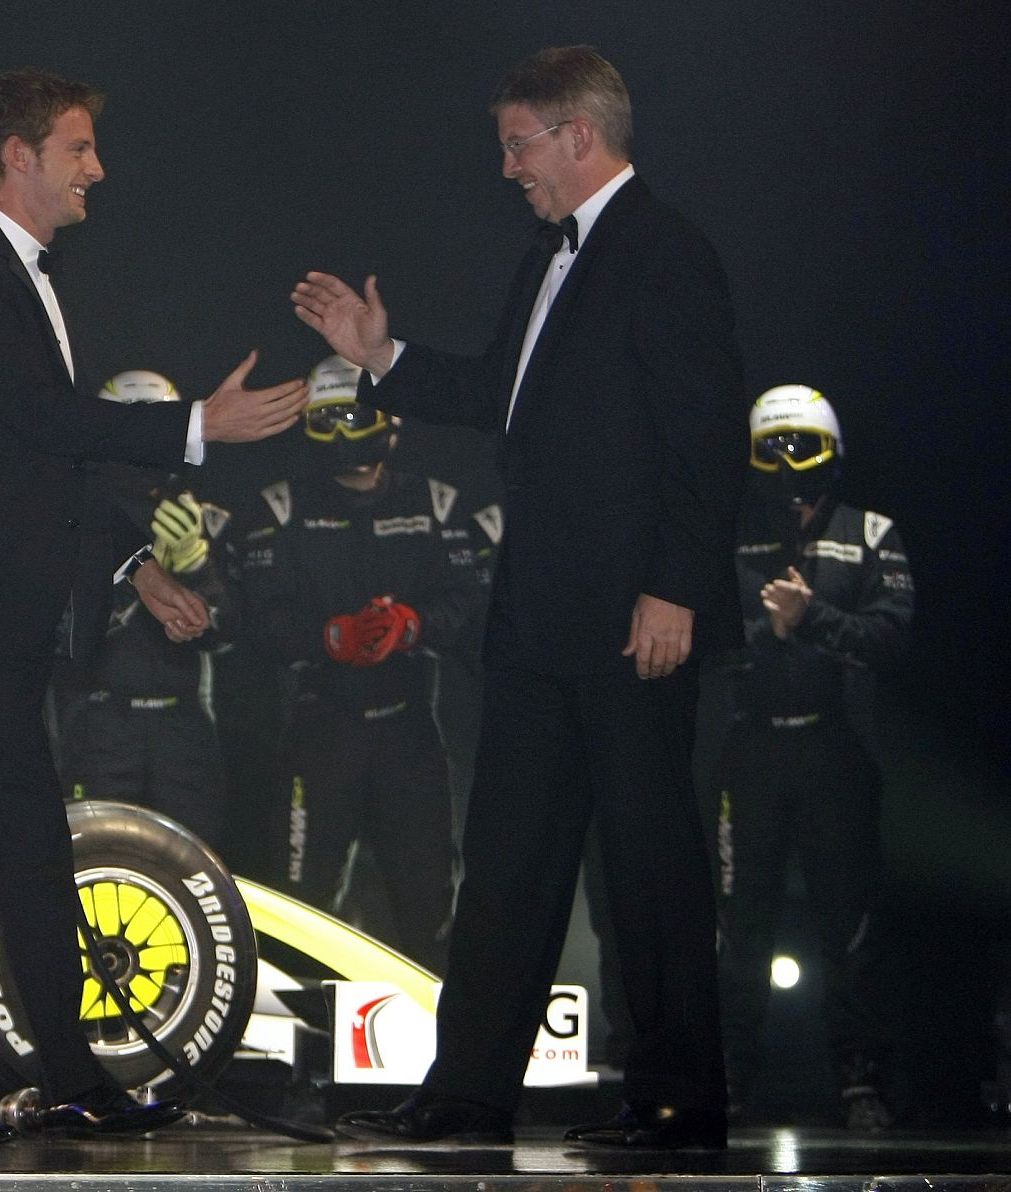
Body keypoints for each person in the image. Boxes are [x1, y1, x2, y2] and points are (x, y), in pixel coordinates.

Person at [292, 45, 745, 1148]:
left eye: (517, 144)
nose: (507, 168)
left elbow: (704, 435)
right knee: (503, 867)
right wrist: (379, 353)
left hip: (634, 619)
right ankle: (466, 1093)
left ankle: (676, 1098)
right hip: (541, 620)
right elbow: (498, 392)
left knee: (645, 866)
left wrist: (675, 587)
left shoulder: (664, 252)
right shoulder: (552, 255)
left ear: (576, 136)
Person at [0, 68, 308, 1143]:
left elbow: (41, 461)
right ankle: (69, 1072)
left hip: (7, 597)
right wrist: (194, 427)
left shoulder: (19, 272)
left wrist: (134, 567)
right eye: (78, 150)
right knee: (22, 830)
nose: (95, 170)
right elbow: (44, 420)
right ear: (19, 157)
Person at [236, 354, 488, 970]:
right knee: (301, 896)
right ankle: (295, 1046)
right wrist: (328, 637)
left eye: (357, 415)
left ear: (390, 421)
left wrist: (413, 625)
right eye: (329, 418)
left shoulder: (439, 504)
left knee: (429, 892)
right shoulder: (279, 507)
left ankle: (442, 1037)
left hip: (409, 726)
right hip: (321, 724)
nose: (346, 432)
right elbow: (254, 619)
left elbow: (472, 604)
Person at [716, 385, 912, 1129]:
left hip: (839, 753)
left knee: (850, 922)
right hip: (754, 751)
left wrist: (813, 618)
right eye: (775, 447)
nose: (790, 461)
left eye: (803, 445)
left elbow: (893, 635)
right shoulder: (732, 535)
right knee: (742, 922)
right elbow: (701, 636)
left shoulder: (871, 531)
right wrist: (769, 632)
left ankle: (860, 1078)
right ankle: (730, 1076)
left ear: (830, 450)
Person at [51, 369, 235, 851]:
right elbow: (61, 631)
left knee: (194, 866)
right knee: (89, 860)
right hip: (98, 720)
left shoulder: (202, 515)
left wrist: (194, 568)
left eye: (155, 422)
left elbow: (232, 631)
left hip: (182, 727)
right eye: (132, 423)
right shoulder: (75, 517)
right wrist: (136, 581)